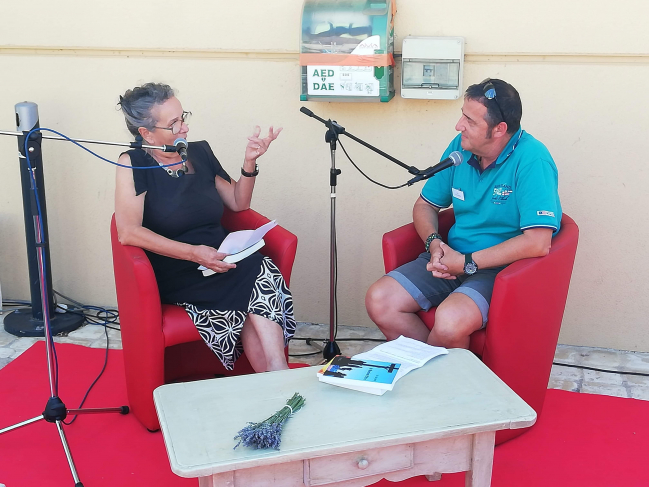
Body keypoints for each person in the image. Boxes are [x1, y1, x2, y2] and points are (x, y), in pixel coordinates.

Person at [365, 78, 562, 349]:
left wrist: (468, 262)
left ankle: (439, 382)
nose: (459, 126)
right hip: (451, 258)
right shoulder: (461, 146)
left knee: (449, 322)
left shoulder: (533, 160)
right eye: (462, 116)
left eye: (470, 121)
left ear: (499, 129)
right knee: (380, 300)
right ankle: (434, 377)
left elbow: (538, 242)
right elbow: (425, 205)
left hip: (501, 270)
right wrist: (434, 243)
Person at [115, 82, 294, 372]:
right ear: (146, 133)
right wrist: (193, 253)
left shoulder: (199, 152)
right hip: (178, 267)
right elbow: (128, 231)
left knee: (255, 270)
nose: (184, 128)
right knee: (257, 274)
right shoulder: (132, 163)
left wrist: (250, 162)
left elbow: (238, 203)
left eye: (183, 117)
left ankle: (274, 376)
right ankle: (278, 373)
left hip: (220, 258)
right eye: (173, 124)